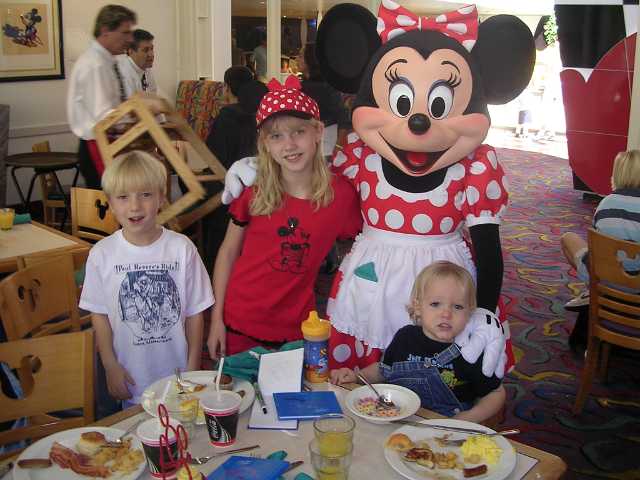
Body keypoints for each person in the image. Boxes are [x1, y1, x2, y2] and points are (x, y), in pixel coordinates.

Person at [206, 75, 362, 358]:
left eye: (298, 132)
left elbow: (357, 249)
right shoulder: (253, 189)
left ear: (318, 132)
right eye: (276, 136)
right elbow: (228, 252)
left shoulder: (341, 196)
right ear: (264, 143)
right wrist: (216, 319)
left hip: (299, 329)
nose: (289, 145)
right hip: (238, 321)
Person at [79, 151, 214, 407]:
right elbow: (99, 315)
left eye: (146, 194)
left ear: (162, 197)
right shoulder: (101, 254)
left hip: (179, 378)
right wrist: (110, 365)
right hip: (131, 380)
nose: (135, 206)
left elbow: (195, 314)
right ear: (110, 203)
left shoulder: (182, 249)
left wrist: (192, 369)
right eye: (123, 197)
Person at [331, 261, 505, 423]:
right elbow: (383, 370)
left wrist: (469, 418)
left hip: (446, 428)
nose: (446, 314)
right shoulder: (405, 337)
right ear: (418, 307)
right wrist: (357, 377)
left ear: (470, 313)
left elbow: (496, 393)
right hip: (396, 418)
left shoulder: (471, 351)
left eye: (457, 307)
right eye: (435, 304)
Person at [561, 150, 640, 348]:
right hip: (637, 289)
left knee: (568, 238)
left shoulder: (606, 203)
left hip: (604, 281)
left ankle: (591, 293)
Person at [204, 67, 268, 268]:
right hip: (261, 184)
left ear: (227, 88)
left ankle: (209, 262)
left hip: (228, 187)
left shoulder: (227, 117)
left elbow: (214, 159)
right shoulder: (261, 112)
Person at [67, 5, 136, 189]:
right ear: (105, 31)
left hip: (108, 143)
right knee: (112, 201)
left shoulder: (106, 61)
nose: (130, 39)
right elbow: (104, 117)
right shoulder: (94, 64)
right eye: (125, 33)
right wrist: (137, 118)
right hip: (97, 145)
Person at [297, 43, 351, 158]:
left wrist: (339, 145)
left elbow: (343, 116)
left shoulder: (326, 86)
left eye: (301, 56)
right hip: (309, 145)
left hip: (326, 144)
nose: (297, 59)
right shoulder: (303, 85)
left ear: (310, 59)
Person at [117, 28, 157, 97]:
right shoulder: (124, 74)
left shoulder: (146, 69)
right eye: (145, 50)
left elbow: (153, 96)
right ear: (131, 51)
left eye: (152, 49)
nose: (151, 54)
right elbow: (130, 103)